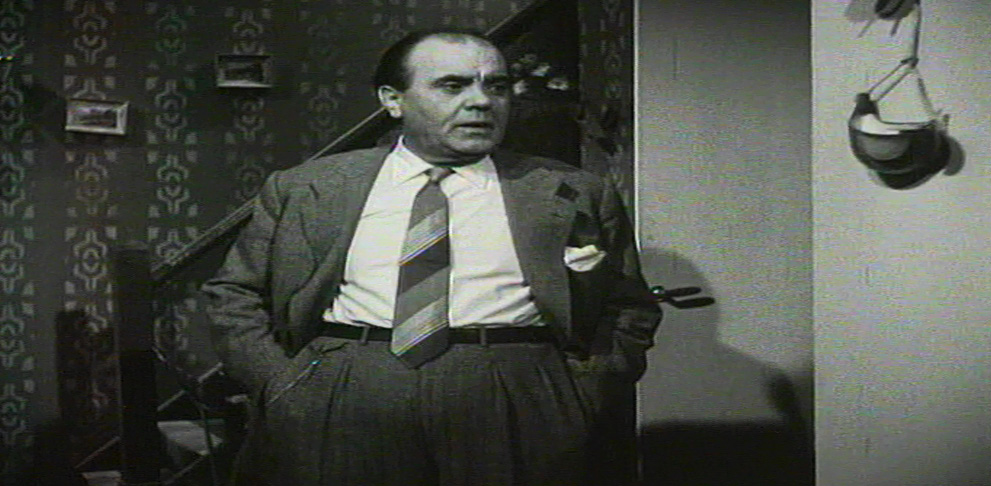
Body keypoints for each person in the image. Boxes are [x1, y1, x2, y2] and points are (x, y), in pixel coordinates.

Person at [202, 29, 661, 486]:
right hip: (346, 385)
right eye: (452, 85)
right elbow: (235, 294)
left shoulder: (572, 191)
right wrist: (280, 385)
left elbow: (628, 306)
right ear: (393, 100)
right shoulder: (307, 188)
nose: (481, 101)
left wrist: (582, 391)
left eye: (497, 86)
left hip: (518, 389)